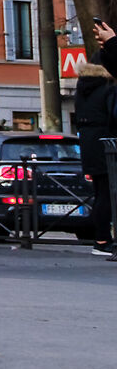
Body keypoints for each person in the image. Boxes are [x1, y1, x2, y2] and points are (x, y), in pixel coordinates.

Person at [73, 21, 117, 252]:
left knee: (102, 193)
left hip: (91, 145)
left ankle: (100, 239)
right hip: (108, 144)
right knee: (110, 194)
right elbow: (113, 115)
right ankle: (103, 241)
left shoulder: (85, 87)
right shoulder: (108, 87)